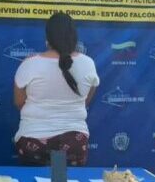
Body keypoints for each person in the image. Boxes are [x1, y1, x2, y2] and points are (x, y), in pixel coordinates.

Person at [13, 12, 99, 167]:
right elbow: (86, 100)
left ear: (48, 38)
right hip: (74, 142)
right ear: (74, 36)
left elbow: (19, 102)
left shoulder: (30, 63)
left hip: (33, 141)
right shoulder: (88, 63)